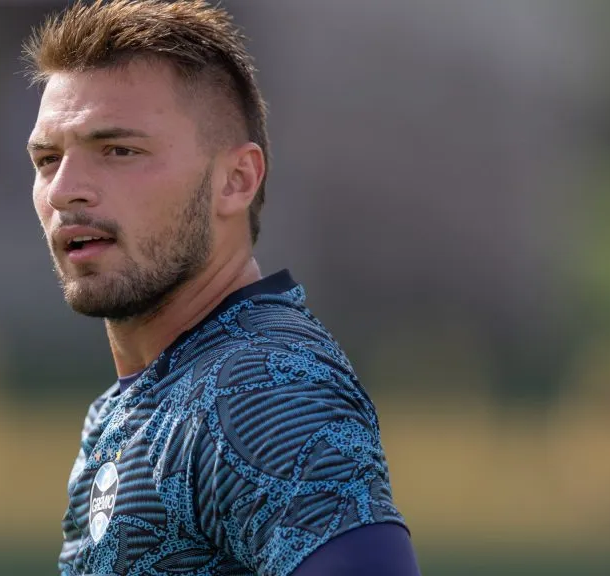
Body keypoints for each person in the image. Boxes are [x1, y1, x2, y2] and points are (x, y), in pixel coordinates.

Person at [23, 1, 420, 574]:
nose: (65, 190)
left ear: (236, 181)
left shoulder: (261, 386)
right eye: (47, 159)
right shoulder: (138, 401)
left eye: (119, 151)